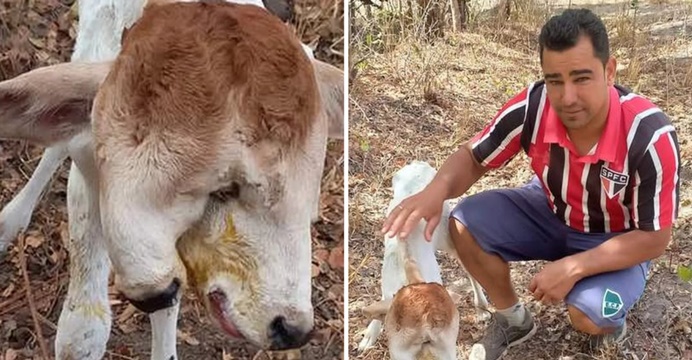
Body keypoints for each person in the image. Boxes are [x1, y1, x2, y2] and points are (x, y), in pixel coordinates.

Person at [381, 8, 680, 360]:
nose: (567, 97)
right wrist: (435, 190)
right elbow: (474, 156)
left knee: (589, 315)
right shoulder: (532, 108)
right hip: (551, 209)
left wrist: (575, 267)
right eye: (555, 80)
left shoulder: (648, 136)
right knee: (464, 223)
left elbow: (655, 238)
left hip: (617, 237)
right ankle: (513, 319)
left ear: (609, 70)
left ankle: (610, 321)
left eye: (582, 78)